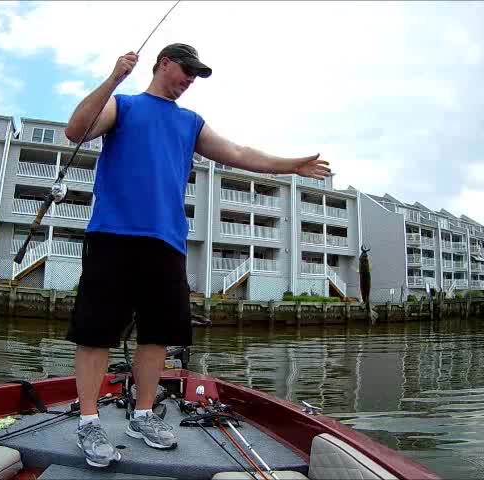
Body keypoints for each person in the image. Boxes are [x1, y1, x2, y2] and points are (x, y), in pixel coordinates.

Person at [63, 43, 331, 468]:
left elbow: (241, 154)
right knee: (95, 333)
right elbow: (76, 131)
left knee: (158, 335)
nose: (190, 79)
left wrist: (290, 165)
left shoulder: (191, 122)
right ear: (163, 64)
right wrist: (114, 77)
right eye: (186, 70)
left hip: (167, 242)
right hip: (113, 236)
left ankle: (144, 415)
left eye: (196, 74)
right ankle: (89, 422)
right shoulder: (124, 106)